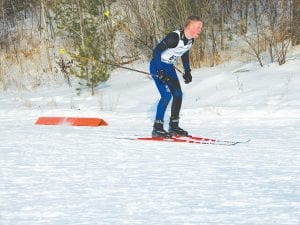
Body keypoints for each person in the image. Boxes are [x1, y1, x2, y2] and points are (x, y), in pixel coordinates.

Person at [150, 15, 203, 138]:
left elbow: (184, 53)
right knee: (166, 95)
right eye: (198, 27)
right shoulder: (174, 38)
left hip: (169, 68)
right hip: (157, 66)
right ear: (190, 27)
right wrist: (160, 71)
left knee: (178, 95)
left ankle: (174, 127)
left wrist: (187, 71)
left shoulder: (190, 40)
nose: (200, 30)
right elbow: (156, 51)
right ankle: (157, 128)